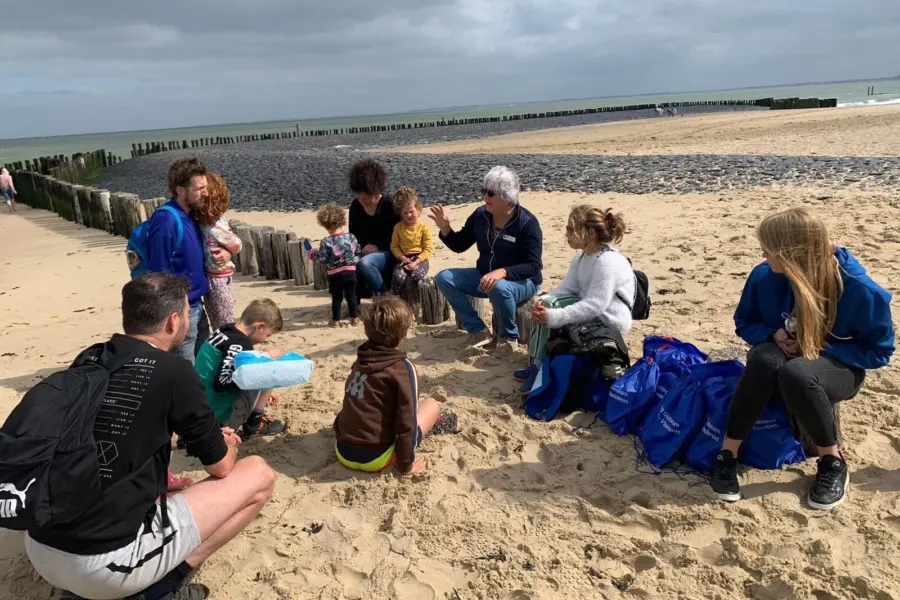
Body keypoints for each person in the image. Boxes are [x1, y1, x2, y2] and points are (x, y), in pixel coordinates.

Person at [23, 273, 275, 600]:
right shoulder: (173, 372)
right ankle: (158, 590)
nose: (188, 320)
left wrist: (187, 436)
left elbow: (114, 429)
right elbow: (221, 467)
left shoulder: (90, 357)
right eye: (186, 313)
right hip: (102, 564)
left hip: (40, 545)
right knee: (259, 475)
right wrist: (224, 442)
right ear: (173, 321)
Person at [711, 207, 894, 510]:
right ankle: (727, 453)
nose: (763, 256)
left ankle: (832, 461)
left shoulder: (860, 289)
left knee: (796, 374)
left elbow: (880, 350)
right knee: (765, 361)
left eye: (768, 250)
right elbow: (744, 322)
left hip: (839, 367)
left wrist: (819, 347)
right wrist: (772, 335)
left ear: (791, 254)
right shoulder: (765, 275)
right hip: (782, 352)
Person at [513, 205, 635, 391]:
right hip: (593, 310)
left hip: (609, 319)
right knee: (545, 303)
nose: (566, 235)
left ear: (590, 233)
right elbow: (569, 287)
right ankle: (536, 366)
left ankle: (537, 368)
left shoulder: (607, 261)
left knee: (549, 308)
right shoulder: (582, 256)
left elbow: (595, 305)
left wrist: (554, 316)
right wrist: (545, 299)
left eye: (570, 230)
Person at [430, 166, 543, 356]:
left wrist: (503, 272)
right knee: (444, 278)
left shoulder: (527, 223)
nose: (485, 197)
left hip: (522, 282)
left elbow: (533, 266)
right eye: (484, 191)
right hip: (484, 276)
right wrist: (445, 229)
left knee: (499, 287)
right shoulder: (480, 215)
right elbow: (459, 245)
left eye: (491, 193)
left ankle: (508, 337)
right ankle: (478, 331)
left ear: (507, 198)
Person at [333, 296, 443, 475]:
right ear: (402, 336)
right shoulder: (403, 369)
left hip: (343, 451)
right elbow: (407, 423)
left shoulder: (360, 359)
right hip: (376, 459)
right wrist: (406, 465)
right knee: (431, 405)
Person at [146, 157, 231, 363]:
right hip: (182, 309)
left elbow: (209, 247)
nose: (206, 192)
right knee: (185, 368)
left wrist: (227, 253)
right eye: (200, 188)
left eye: (206, 187)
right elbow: (158, 273)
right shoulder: (166, 220)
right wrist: (178, 311)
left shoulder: (192, 215)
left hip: (196, 305)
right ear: (180, 190)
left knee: (200, 365)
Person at [195, 298, 287, 439]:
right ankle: (254, 425)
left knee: (258, 367)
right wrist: (264, 357)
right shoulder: (239, 344)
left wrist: (262, 391)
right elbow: (222, 383)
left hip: (201, 404)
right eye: (267, 334)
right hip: (216, 414)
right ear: (259, 326)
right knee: (268, 365)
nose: (266, 339)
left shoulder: (225, 330)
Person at [194, 172, 242, 331]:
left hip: (219, 277)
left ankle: (226, 342)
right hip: (213, 274)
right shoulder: (205, 223)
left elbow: (236, 242)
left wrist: (229, 251)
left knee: (222, 318)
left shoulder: (215, 225)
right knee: (216, 314)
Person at [347, 159, 400, 298]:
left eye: (366, 197)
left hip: (390, 252)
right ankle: (354, 306)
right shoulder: (356, 206)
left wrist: (379, 246)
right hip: (364, 251)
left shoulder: (390, 205)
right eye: (360, 197)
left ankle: (382, 297)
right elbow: (354, 236)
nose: (362, 200)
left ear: (377, 191)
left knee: (365, 263)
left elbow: (401, 237)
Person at [310, 203, 361, 327]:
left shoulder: (326, 241)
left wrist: (313, 255)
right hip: (350, 272)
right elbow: (357, 251)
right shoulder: (351, 237)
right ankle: (354, 318)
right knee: (351, 295)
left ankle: (336, 321)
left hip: (335, 274)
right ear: (342, 221)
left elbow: (322, 259)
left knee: (337, 297)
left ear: (325, 226)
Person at [389, 186, 433, 295]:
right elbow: (394, 246)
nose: (409, 215)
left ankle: (419, 300)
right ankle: (395, 300)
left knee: (416, 276)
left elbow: (428, 248)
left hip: (420, 259)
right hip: (405, 258)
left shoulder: (423, 227)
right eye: (405, 213)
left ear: (418, 209)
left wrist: (416, 261)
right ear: (401, 213)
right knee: (398, 277)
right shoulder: (398, 228)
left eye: (411, 211)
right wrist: (403, 258)